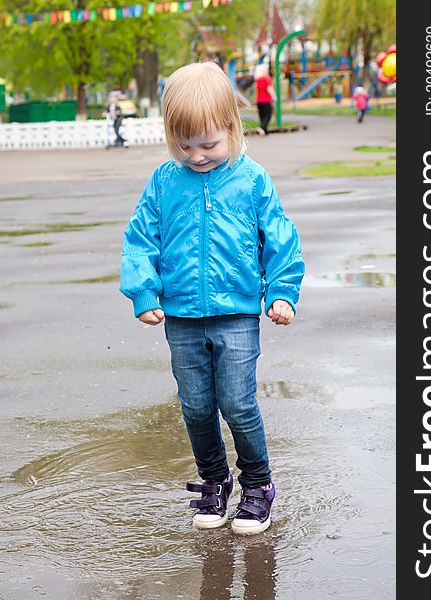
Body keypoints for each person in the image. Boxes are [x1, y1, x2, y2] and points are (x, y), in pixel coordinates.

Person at [120, 62, 305, 535]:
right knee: (197, 405)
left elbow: (280, 237)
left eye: (209, 144)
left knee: (238, 403)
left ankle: (258, 485)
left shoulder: (252, 179)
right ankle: (214, 482)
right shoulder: (165, 181)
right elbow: (141, 238)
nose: (197, 156)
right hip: (180, 315)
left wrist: (281, 292)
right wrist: (144, 291)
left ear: (232, 126)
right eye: (185, 145)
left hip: (238, 313)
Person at [253, 63, 276, 135]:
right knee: (268, 115)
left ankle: (264, 130)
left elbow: (256, 90)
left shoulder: (257, 80)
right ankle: (262, 127)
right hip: (266, 100)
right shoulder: (266, 78)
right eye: (266, 70)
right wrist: (274, 96)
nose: (267, 71)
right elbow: (269, 88)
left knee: (262, 116)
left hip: (258, 101)